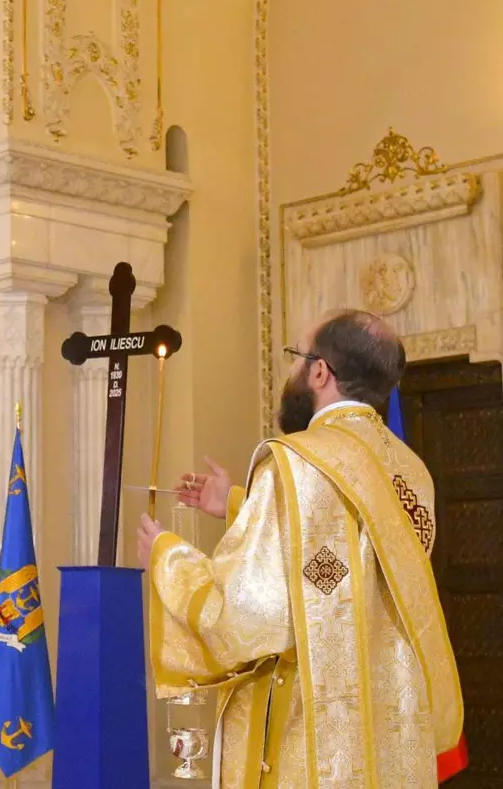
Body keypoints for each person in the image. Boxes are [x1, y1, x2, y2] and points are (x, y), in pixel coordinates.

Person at [137, 309, 465, 788]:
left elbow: (247, 617)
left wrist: (168, 560)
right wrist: (241, 502)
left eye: (296, 356)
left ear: (320, 372)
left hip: (312, 729)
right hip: (390, 722)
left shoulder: (294, 463)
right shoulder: (411, 472)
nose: (291, 369)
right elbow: (347, 555)